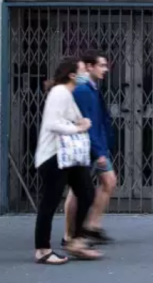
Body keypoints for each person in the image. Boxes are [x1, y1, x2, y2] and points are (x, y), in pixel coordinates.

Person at [33, 57, 103, 265]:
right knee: (50, 202)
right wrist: (78, 127)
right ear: (72, 75)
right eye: (82, 70)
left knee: (87, 193)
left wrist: (81, 121)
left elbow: (72, 118)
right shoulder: (60, 93)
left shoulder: (68, 93)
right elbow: (53, 124)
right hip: (53, 157)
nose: (85, 72)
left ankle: (76, 241)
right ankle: (42, 249)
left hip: (68, 157)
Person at [63, 51, 116, 246]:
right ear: (89, 67)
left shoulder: (91, 88)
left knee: (108, 182)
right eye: (101, 65)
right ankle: (71, 234)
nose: (105, 69)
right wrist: (99, 152)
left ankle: (91, 226)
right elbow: (86, 122)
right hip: (88, 148)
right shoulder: (84, 90)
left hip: (95, 146)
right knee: (77, 190)